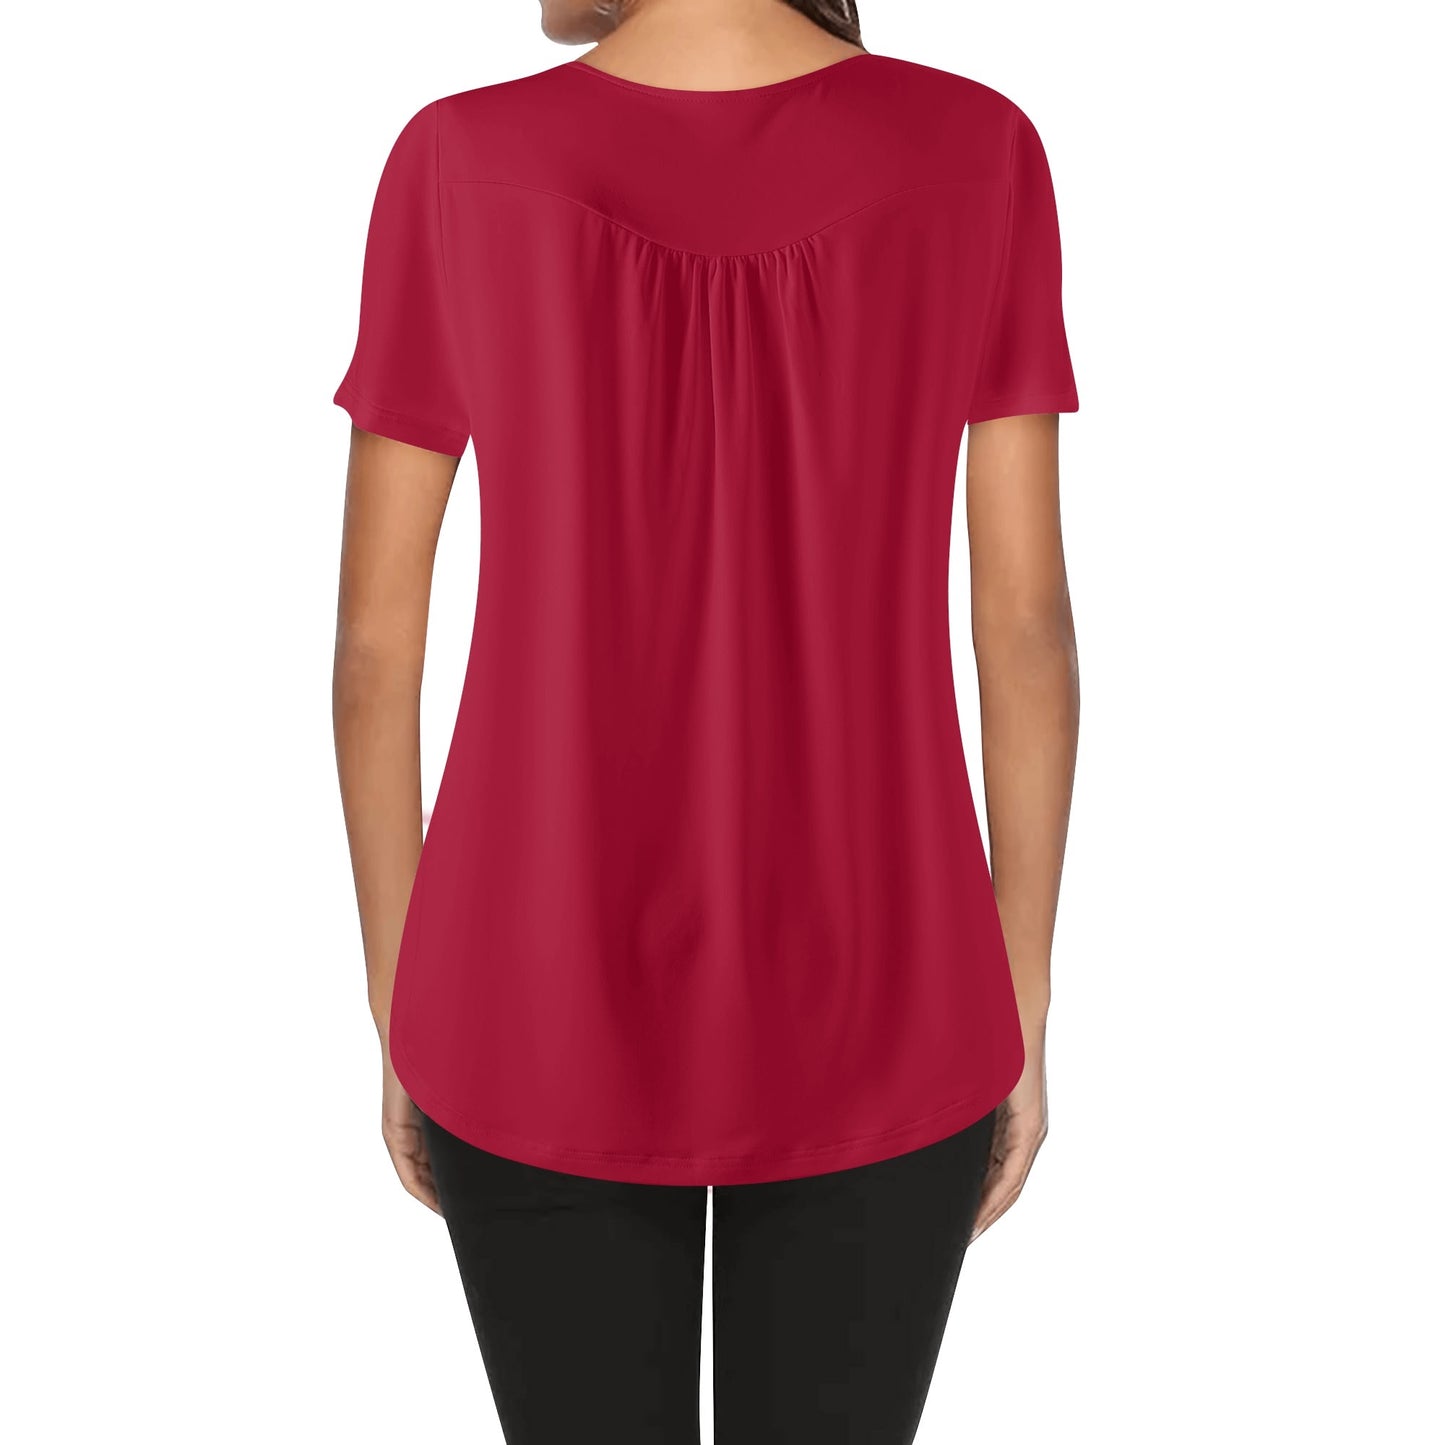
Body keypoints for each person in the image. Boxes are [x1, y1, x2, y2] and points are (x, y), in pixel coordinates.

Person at [331, 0, 1080, 1439]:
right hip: (891, 982)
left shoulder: (457, 160)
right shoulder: (978, 150)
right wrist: (1024, 1001)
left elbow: (374, 650)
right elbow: (1026, 628)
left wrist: (398, 997)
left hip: (526, 987)